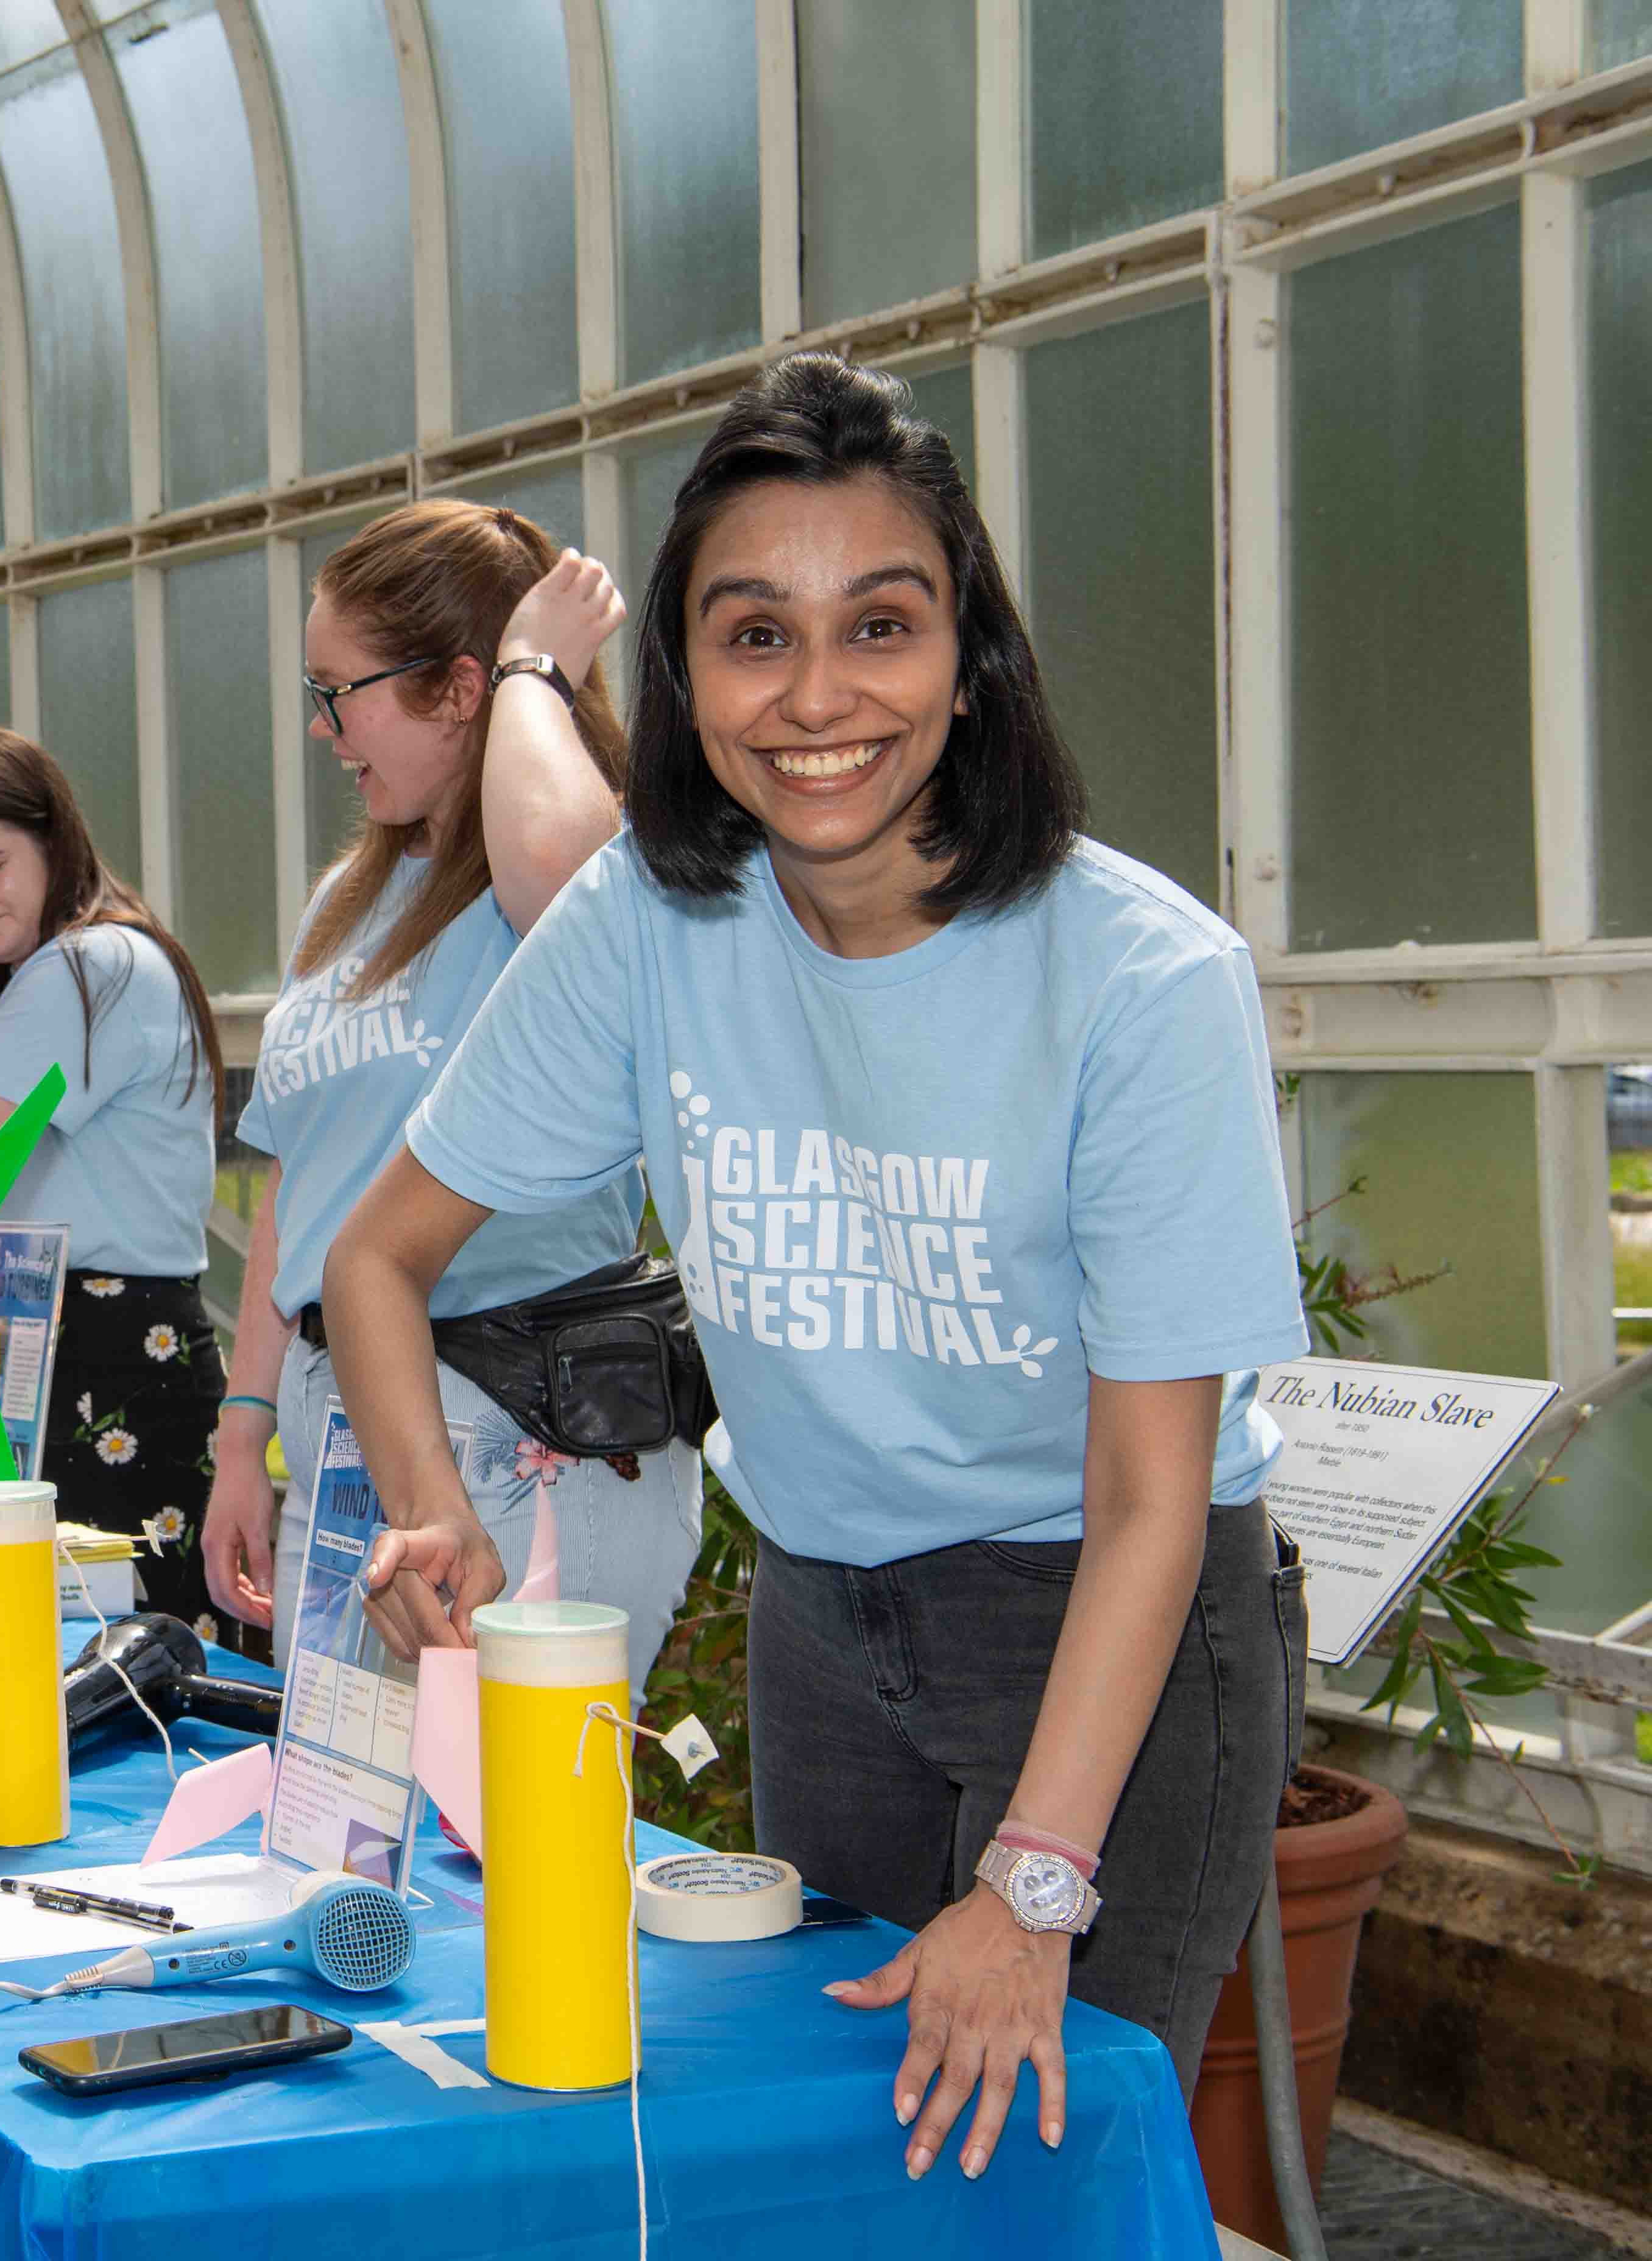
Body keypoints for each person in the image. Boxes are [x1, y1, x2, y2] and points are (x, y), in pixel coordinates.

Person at [325, 354, 1307, 2182]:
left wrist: (1032, 1882)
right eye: (751, 635)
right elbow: (376, 1253)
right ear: (682, 682)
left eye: (879, 623)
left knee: (1033, 2170)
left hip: (1106, 1630)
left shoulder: (1139, 977)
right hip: (820, 1621)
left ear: (967, 655)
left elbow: (1144, 1492)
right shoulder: (646, 918)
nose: (818, 694)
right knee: (848, 2156)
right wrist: (423, 1507)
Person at [197, 499, 704, 1691]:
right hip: (346, 1420)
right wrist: (244, 1429)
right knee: (351, 1826)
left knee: (507, 1822)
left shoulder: (551, 884)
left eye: (343, 691)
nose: (326, 730)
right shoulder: (346, 901)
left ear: (460, 688)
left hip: (511, 1416)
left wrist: (536, 665)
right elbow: (297, 1186)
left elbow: (565, 866)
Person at [0, 728, 229, 1623]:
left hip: (108, 1349)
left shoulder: (89, 968)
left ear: (53, 837)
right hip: (72, 1337)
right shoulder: (63, 969)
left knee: (100, 1671)